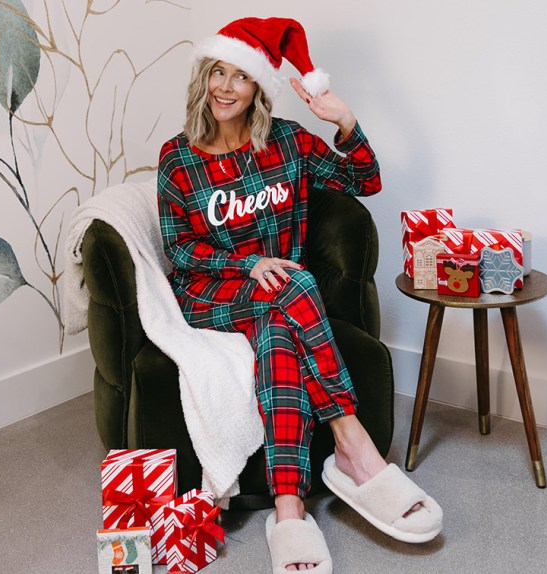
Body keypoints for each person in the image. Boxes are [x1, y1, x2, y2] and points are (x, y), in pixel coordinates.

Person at [157, 17, 442, 573]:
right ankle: (353, 443)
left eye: (241, 77)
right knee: (296, 282)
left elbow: (365, 181)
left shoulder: (288, 143)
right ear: (204, 77)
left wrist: (345, 121)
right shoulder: (178, 157)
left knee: (278, 336)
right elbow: (180, 248)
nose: (225, 87)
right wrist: (248, 263)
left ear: (258, 87)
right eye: (218, 72)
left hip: (278, 300)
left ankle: (288, 509)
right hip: (211, 292)